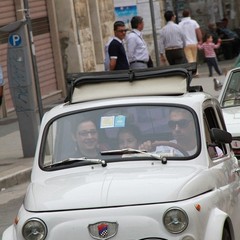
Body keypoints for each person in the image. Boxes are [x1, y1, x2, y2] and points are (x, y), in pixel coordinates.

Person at [178, 9, 202, 76]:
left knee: (189, 58)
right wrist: (200, 40)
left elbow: (179, 34)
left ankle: (193, 72)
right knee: (194, 58)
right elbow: (198, 31)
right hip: (194, 43)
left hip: (186, 44)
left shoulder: (180, 24)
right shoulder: (193, 22)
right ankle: (196, 72)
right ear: (189, 14)